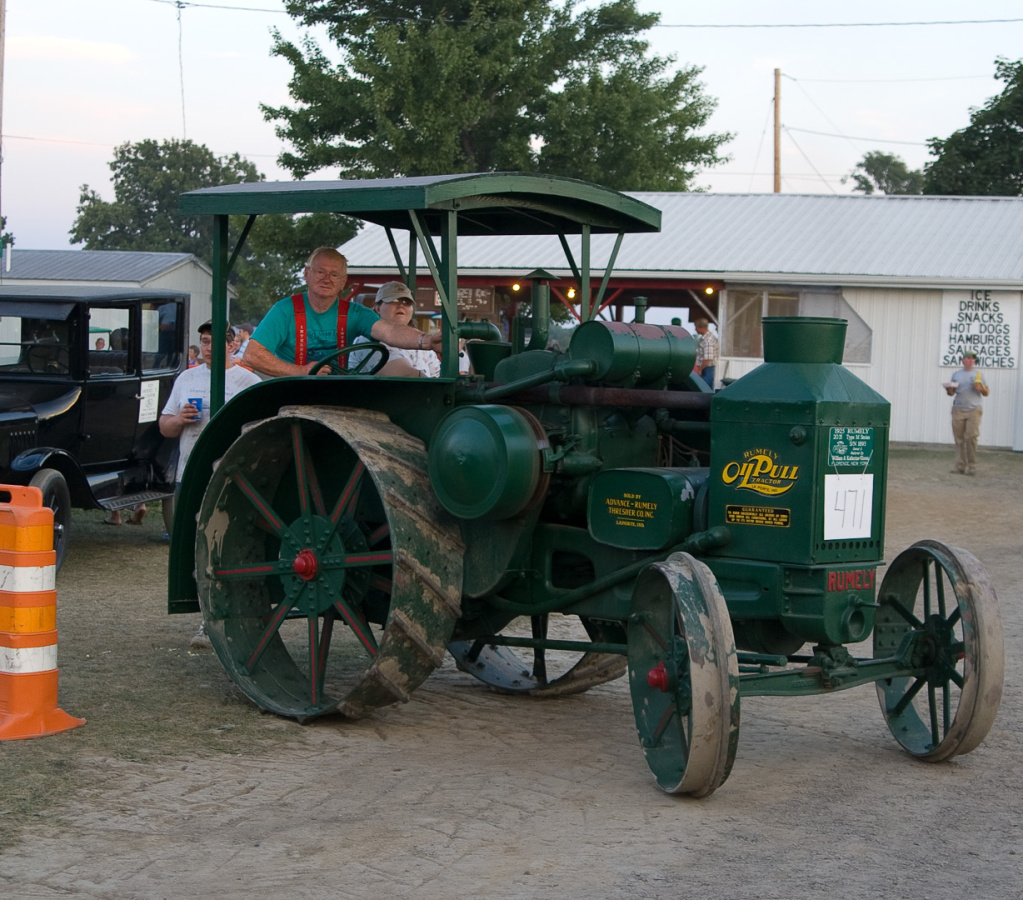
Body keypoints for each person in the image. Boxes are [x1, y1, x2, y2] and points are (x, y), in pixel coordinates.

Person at [160, 319, 261, 647]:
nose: (209, 348)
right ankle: (207, 619)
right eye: (204, 341)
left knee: (225, 546)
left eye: (217, 342)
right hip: (191, 473)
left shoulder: (248, 381)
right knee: (196, 549)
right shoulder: (186, 378)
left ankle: (227, 620)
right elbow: (164, 426)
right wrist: (179, 419)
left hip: (235, 476)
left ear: (232, 345)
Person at [243, 248, 442, 377]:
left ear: (343, 281)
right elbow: (252, 355)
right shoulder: (285, 310)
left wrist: (428, 341)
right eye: (320, 272)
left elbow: (389, 332)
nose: (327, 279)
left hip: (338, 393)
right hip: (290, 391)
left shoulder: (355, 313)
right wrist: (302, 371)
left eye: (334, 274)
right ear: (307, 274)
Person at [349, 282, 440, 377]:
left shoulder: (422, 342)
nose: (401, 305)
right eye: (394, 300)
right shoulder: (367, 340)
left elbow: (437, 377)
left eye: (406, 302)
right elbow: (405, 375)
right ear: (378, 308)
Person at [944, 350, 989, 476]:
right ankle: (960, 466)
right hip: (958, 409)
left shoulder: (979, 374)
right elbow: (951, 393)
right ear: (963, 360)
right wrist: (949, 390)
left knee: (971, 437)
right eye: (968, 358)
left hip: (974, 410)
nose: (970, 361)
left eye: (973, 359)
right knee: (959, 439)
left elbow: (986, 392)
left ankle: (972, 466)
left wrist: (981, 389)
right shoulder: (956, 374)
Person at [693, 318, 718, 388]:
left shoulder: (708, 340)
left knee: (704, 388)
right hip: (707, 368)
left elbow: (708, 359)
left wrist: (700, 369)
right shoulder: (707, 338)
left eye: (696, 327)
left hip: (706, 369)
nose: (695, 330)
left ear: (701, 327)